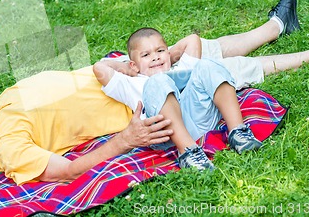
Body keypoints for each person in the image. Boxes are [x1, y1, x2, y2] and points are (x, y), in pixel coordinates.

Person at [0, 0, 309, 184]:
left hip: (119, 72)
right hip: (140, 101)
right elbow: (63, 171)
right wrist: (125, 141)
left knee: (191, 46)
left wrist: (113, 66)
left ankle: (274, 26)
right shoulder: (5, 147)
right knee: (213, 71)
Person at [93, 27, 263, 171]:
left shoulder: (180, 68)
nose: (155, 57)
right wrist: (125, 67)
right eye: (146, 55)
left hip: (200, 119)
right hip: (166, 135)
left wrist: (170, 56)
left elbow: (193, 39)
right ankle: (188, 152)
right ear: (134, 64)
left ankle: (238, 132)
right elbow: (99, 69)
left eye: (159, 51)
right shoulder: (132, 83)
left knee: (208, 65)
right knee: (158, 81)